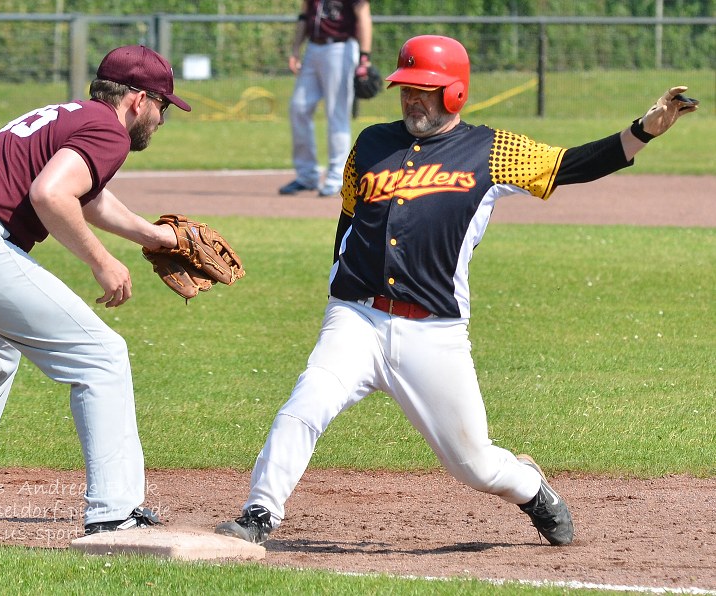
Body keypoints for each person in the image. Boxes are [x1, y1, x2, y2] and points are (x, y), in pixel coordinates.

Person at [217, 35, 698, 547]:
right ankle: (260, 513)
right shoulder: (370, 143)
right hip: (356, 317)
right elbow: (350, 217)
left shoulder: (491, 149)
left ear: (456, 92)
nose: (411, 99)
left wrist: (644, 131)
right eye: (406, 87)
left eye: (425, 88)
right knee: (305, 403)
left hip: (433, 331)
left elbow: (572, 164)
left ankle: (532, 487)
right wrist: (340, 282)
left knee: (475, 465)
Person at [0, 45, 192, 541]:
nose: (163, 117)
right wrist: (102, 262)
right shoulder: (108, 129)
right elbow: (51, 194)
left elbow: (84, 195)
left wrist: (152, 237)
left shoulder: (73, 115)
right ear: (137, 99)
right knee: (101, 356)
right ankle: (116, 515)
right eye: (163, 105)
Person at [278, 0, 372, 198]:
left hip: (340, 48)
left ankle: (337, 176)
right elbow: (304, 15)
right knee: (299, 108)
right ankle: (307, 176)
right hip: (313, 48)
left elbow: (363, 15)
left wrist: (364, 57)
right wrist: (296, 49)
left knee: (337, 114)